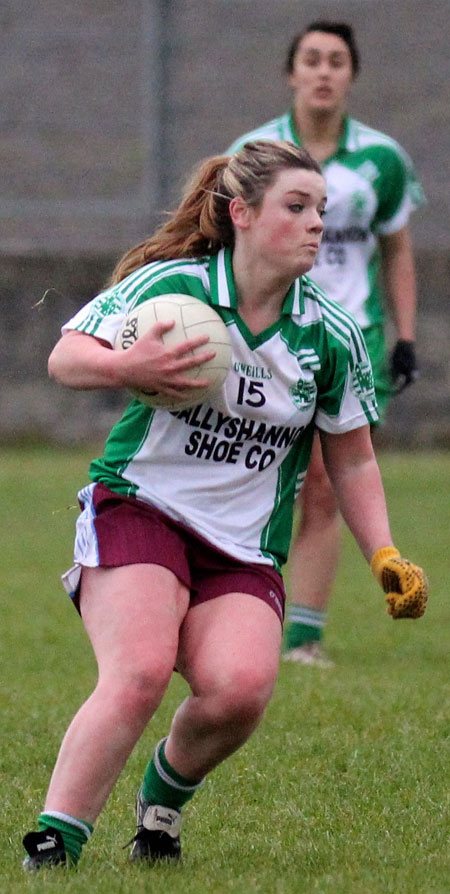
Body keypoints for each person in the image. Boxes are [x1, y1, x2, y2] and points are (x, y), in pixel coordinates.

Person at [22, 140, 428, 870]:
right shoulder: (173, 288)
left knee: (240, 691)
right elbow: (65, 357)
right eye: (297, 208)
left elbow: (355, 457)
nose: (317, 227)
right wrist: (125, 364)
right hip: (141, 507)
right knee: (140, 671)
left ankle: (159, 810)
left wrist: (386, 554)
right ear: (241, 213)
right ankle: (55, 844)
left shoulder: (329, 334)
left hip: (242, 546)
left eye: (322, 212)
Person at [227, 21, 425, 667]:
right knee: (256, 472)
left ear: (350, 75)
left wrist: (405, 336)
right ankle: (232, 607)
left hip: (352, 340)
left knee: (322, 482)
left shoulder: (382, 160)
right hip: (271, 333)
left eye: (336, 61)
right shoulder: (254, 152)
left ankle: (303, 639)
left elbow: (396, 250)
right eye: (311, 59)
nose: (323, 71)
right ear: (291, 72)